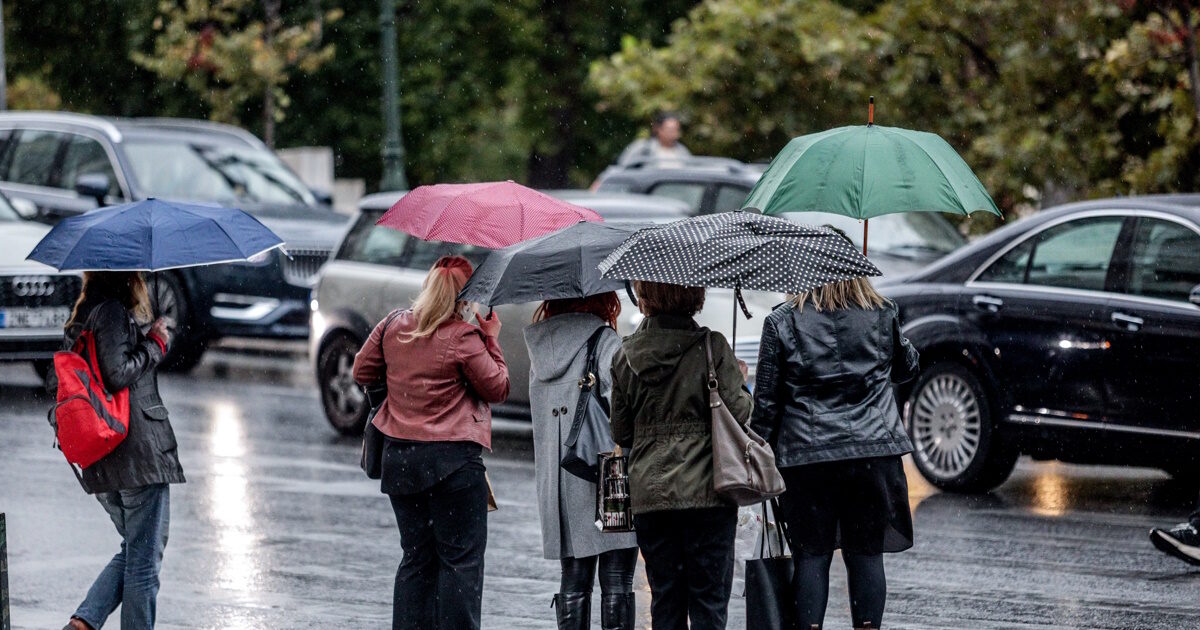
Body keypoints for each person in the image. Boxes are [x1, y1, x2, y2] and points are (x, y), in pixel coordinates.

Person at [750, 273, 920, 630]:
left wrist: (756, 455)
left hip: (807, 461)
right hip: (872, 454)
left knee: (811, 556)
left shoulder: (782, 321)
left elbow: (766, 404)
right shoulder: (883, 312)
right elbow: (907, 370)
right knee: (867, 555)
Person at [352, 256, 509, 630]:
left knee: (416, 558)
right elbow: (499, 387)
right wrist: (491, 337)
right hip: (453, 464)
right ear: (464, 297)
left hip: (401, 460)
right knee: (460, 563)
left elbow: (361, 370)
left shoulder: (393, 324)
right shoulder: (464, 337)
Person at [609, 281, 751, 630]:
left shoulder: (625, 355)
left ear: (645, 299)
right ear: (694, 295)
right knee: (709, 602)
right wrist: (741, 380)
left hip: (651, 498)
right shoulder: (712, 346)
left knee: (666, 599)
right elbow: (739, 412)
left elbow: (621, 433)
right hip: (709, 492)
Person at [62, 272, 183, 630]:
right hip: (136, 454)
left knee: (134, 550)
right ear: (127, 277)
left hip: (104, 456)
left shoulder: (83, 316)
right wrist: (156, 344)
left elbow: (99, 366)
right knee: (144, 564)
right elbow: (117, 373)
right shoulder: (112, 312)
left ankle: (83, 624)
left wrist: (142, 337)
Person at [524, 293, 639, 630]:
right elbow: (623, 410)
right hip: (609, 474)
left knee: (573, 578)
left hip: (560, 477)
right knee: (617, 579)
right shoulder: (605, 341)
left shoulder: (540, 346)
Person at [617, 112, 691, 167]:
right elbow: (622, 168)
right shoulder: (643, 148)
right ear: (658, 129)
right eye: (670, 130)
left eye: (677, 129)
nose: (674, 133)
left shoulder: (682, 151)